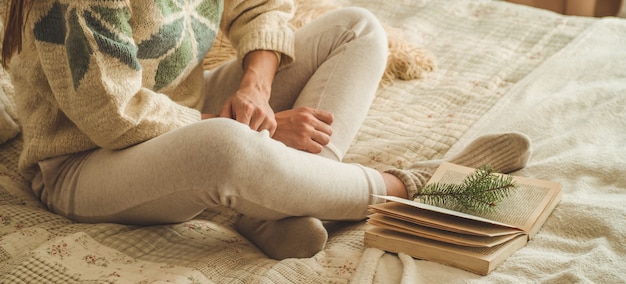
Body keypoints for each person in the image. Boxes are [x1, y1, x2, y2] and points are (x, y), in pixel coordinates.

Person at [1, 0, 532, 260]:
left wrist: (256, 87)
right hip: (85, 163)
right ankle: (415, 188)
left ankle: (283, 195)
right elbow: (115, 116)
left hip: (190, 106)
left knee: (357, 28)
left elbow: (259, 7)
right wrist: (266, 131)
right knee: (227, 149)